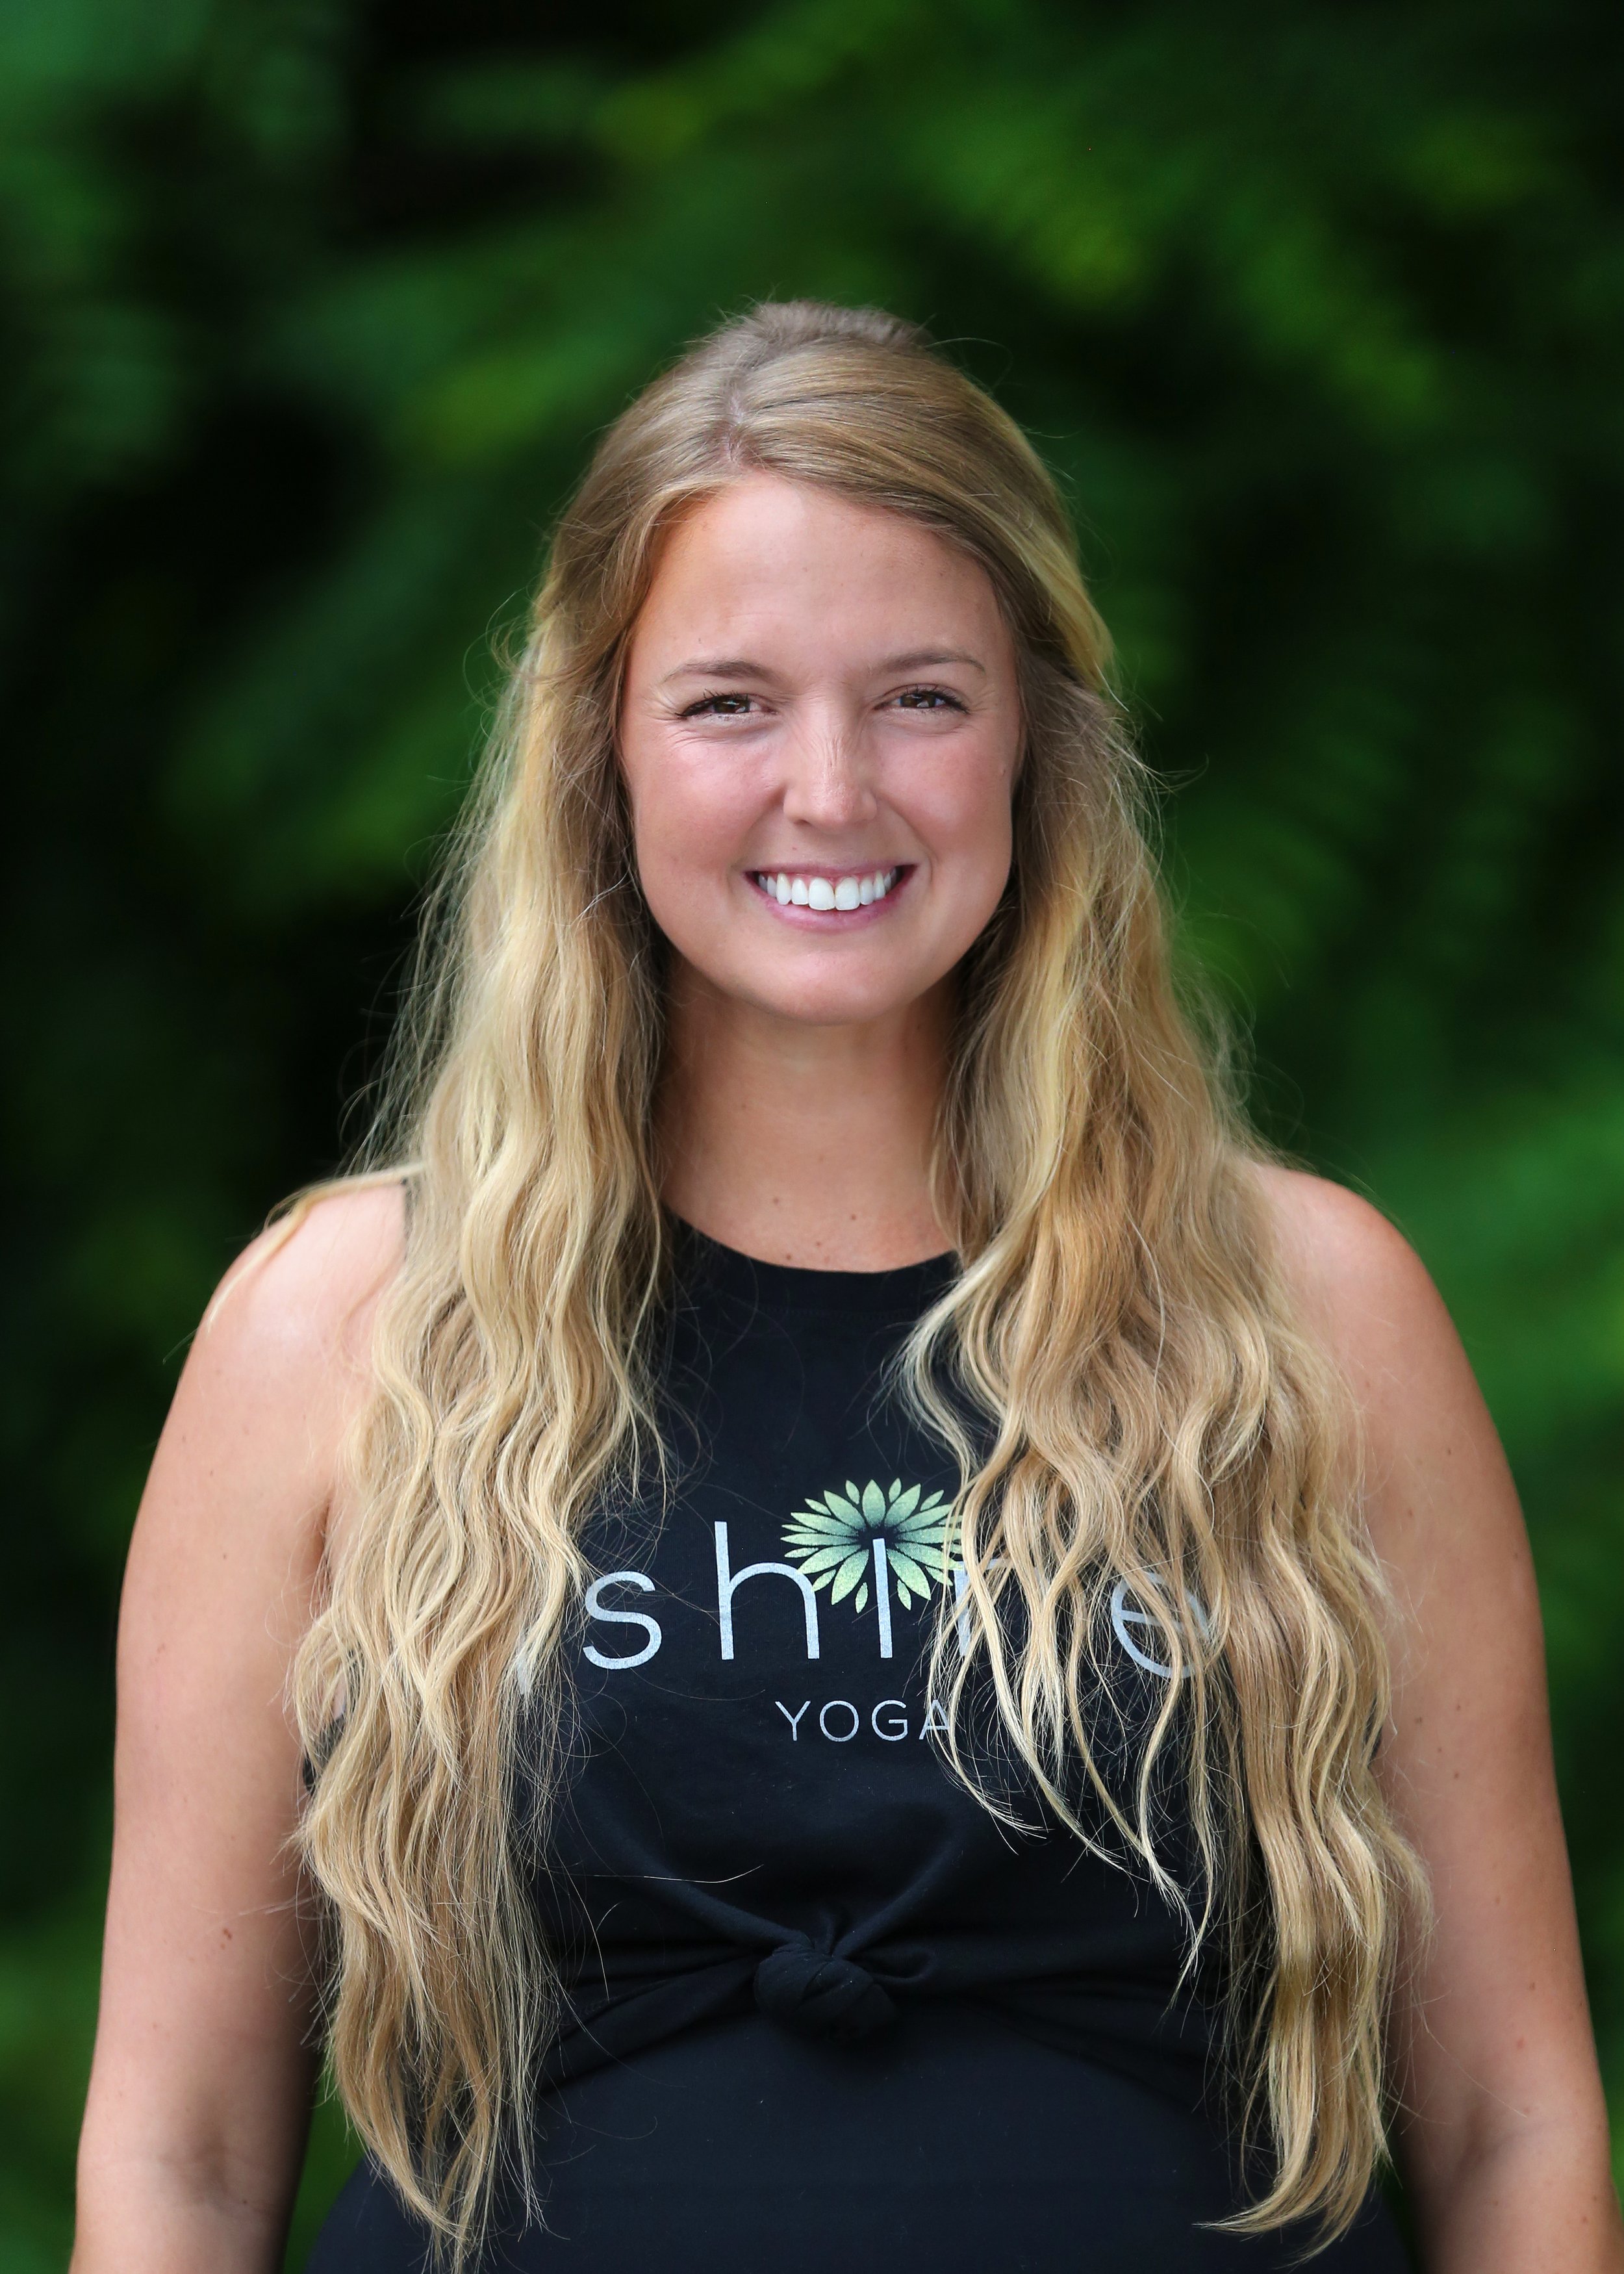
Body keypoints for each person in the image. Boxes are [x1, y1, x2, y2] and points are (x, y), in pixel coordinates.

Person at [72, 302, 1621, 2274]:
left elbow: (1510, 2120)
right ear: (596, 746)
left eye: (918, 697)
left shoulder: (1305, 1310)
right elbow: (178, 2159)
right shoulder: (340, 1326)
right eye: (727, 701)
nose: (830, 789)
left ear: (1035, 743)